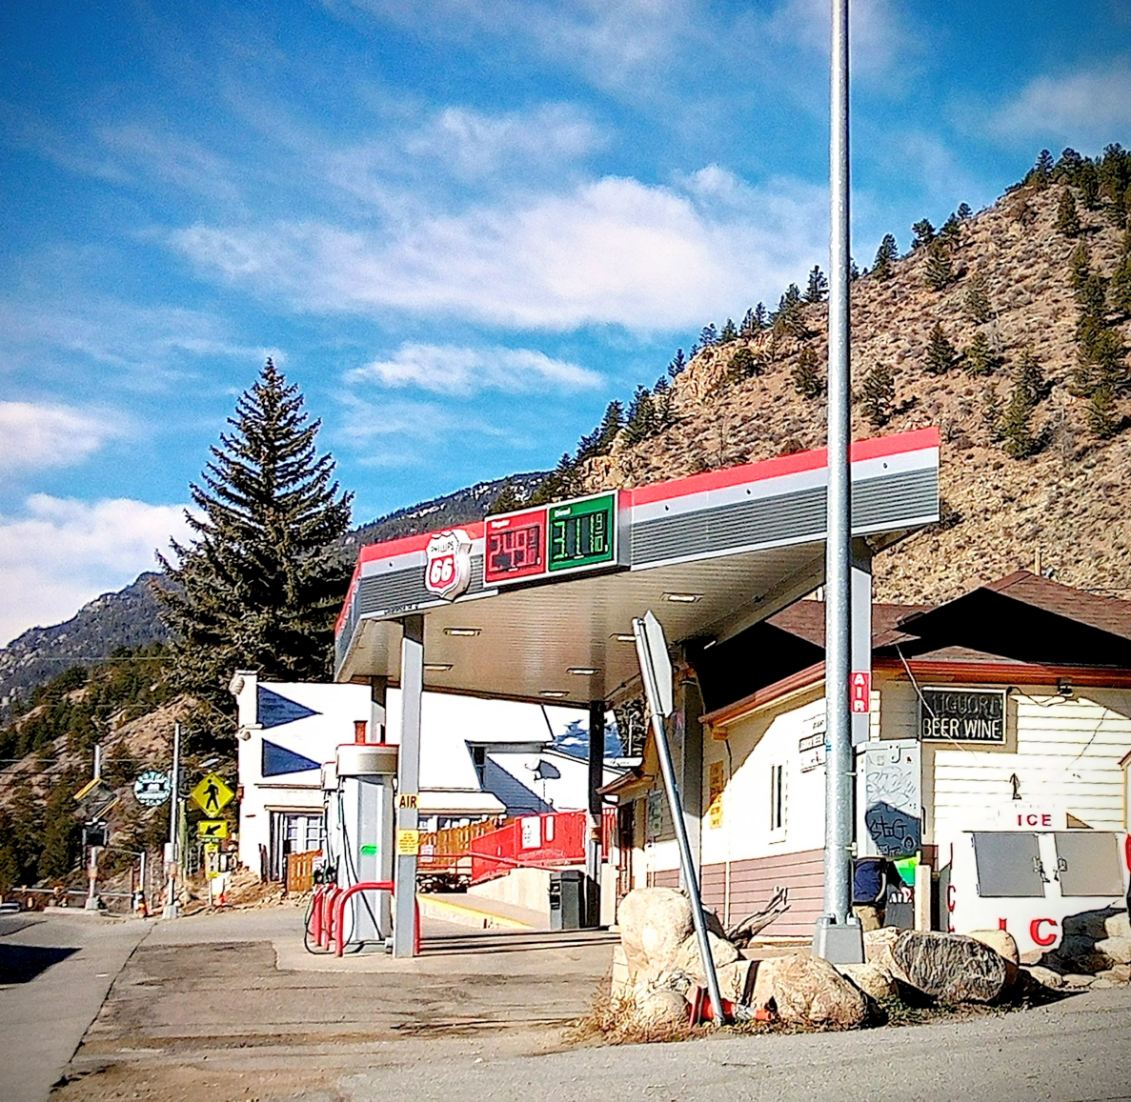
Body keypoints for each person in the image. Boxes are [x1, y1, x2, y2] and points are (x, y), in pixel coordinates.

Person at [852, 856, 904, 931]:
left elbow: (889, 870)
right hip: (865, 904)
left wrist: (901, 886)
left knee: (877, 932)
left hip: (878, 903)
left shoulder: (883, 858)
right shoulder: (861, 855)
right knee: (873, 935)